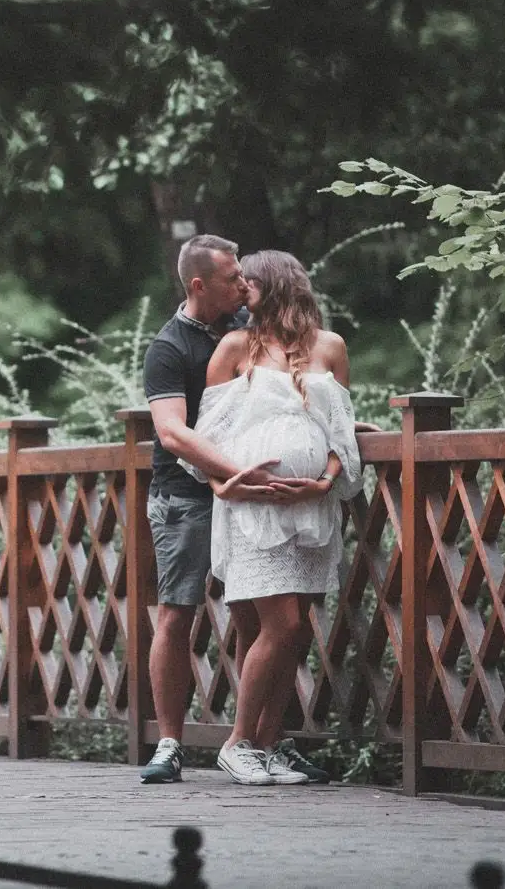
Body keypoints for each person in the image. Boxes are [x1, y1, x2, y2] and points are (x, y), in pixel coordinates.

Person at [189, 249, 364, 785]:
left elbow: (341, 434)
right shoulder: (234, 346)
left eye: (250, 282)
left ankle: (267, 745)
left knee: (295, 632)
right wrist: (228, 483)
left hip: (311, 509)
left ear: (278, 285)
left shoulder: (330, 347)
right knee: (281, 624)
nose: (241, 289)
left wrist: (323, 482)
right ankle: (238, 742)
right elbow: (208, 436)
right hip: (254, 510)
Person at [138, 234, 306, 785]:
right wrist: (235, 472)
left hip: (247, 498)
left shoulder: (246, 330)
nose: (243, 283)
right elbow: (172, 433)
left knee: (263, 620)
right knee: (177, 612)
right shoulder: (169, 348)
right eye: (232, 278)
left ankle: (260, 743)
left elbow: (283, 396)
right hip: (185, 498)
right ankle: (169, 744)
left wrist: (337, 429)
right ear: (198, 284)